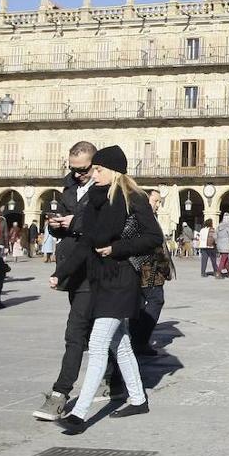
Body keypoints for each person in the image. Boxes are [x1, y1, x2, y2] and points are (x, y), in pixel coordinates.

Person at [52, 145, 161, 434]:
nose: (92, 174)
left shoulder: (133, 198)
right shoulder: (97, 200)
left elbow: (153, 237)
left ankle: (78, 414)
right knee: (119, 343)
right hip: (100, 279)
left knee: (99, 344)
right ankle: (138, 399)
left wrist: (117, 248)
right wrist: (60, 273)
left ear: (113, 170)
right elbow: (86, 241)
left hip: (123, 279)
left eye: (98, 169)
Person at [34, 141, 123, 422]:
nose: (78, 175)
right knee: (100, 334)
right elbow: (65, 222)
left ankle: (60, 394)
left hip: (97, 268)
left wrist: (76, 224)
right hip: (74, 267)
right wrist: (54, 225)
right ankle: (117, 379)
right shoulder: (69, 187)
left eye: (83, 170)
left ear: (96, 165)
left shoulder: (110, 189)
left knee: (75, 331)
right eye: (73, 170)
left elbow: (109, 227)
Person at [130, 186, 170, 357]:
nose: (157, 206)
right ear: (145, 200)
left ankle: (135, 339)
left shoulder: (140, 217)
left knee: (137, 304)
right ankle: (139, 340)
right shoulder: (142, 219)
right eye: (155, 201)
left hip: (145, 267)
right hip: (148, 267)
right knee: (155, 300)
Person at [214, 213, 229, 278]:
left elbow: (215, 236)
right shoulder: (228, 227)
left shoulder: (219, 226)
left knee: (225, 260)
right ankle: (218, 272)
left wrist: (217, 242)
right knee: (223, 259)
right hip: (226, 245)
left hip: (219, 245)